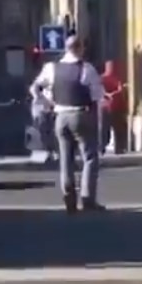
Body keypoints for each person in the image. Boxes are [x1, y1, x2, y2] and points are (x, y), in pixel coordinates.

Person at [30, 35, 104, 212]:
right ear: (80, 49)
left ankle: (69, 199)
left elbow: (35, 87)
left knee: (66, 158)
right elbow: (97, 96)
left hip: (60, 117)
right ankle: (87, 198)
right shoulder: (86, 69)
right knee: (90, 157)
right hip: (81, 114)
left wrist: (45, 101)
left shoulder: (51, 68)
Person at [100, 60, 128, 154]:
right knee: (118, 129)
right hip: (117, 107)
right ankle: (119, 148)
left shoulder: (101, 78)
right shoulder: (117, 78)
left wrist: (106, 95)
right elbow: (121, 90)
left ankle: (102, 147)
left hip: (105, 107)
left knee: (104, 129)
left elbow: (99, 91)